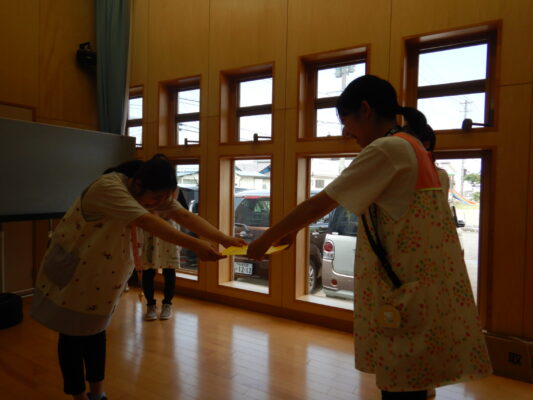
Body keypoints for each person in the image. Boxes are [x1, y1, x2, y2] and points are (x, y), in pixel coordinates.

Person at [247, 75, 492, 399]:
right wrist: (291, 230)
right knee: (414, 383)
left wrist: (268, 237)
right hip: (422, 290)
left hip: (405, 290)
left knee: (401, 387)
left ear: (365, 109)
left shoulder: (389, 148)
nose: (346, 133)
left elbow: (322, 202)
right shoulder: (414, 147)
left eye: (346, 121)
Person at [31, 154, 246, 400]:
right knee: (72, 337)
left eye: (164, 199)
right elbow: (147, 221)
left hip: (103, 278)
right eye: (156, 198)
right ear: (138, 183)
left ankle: (98, 394)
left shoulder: (149, 193)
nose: (158, 204)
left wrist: (224, 239)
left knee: (96, 333)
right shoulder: (108, 187)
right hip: (76, 272)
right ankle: (78, 396)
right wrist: (197, 246)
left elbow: (184, 216)